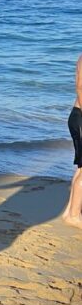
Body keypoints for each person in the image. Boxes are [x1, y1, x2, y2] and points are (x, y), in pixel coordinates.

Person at [64, 54, 82, 229]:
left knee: (81, 168)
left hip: (78, 116)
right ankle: (74, 216)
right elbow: (80, 86)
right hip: (81, 116)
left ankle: (70, 211)